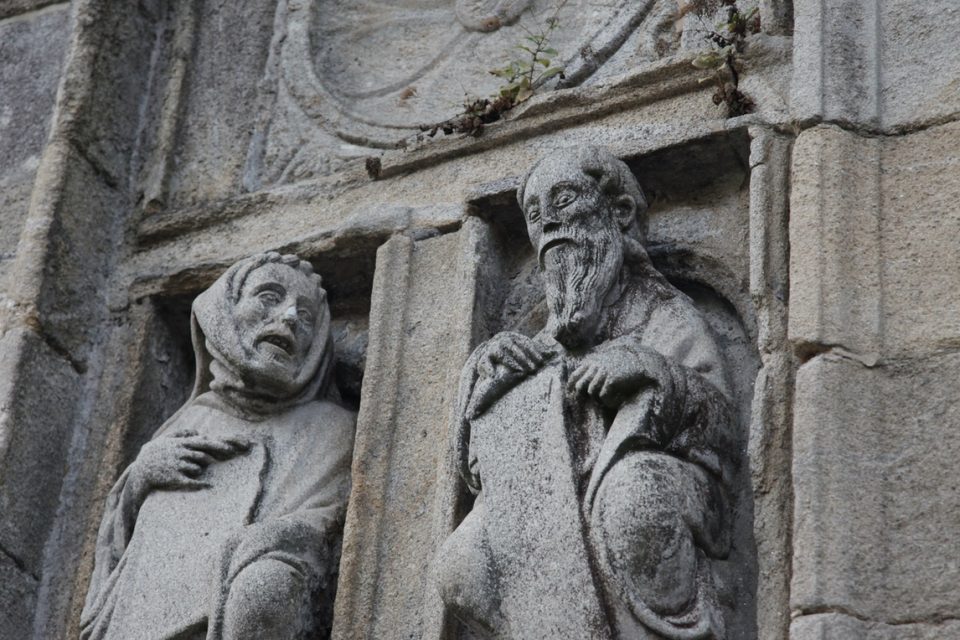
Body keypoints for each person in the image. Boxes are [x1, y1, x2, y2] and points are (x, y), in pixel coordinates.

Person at [437, 147, 738, 639]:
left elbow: (721, 423)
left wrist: (649, 369)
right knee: (462, 561)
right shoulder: (537, 345)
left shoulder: (664, 316)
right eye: (535, 214)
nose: (548, 222)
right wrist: (484, 381)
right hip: (549, 504)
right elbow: (472, 473)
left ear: (618, 213)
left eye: (565, 199)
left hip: (654, 486)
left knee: (632, 497)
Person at [81, 252, 355, 640]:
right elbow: (116, 551)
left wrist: (268, 546)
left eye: (307, 316)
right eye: (268, 297)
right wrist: (140, 477)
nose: (291, 317)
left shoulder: (331, 429)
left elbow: (329, 524)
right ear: (225, 310)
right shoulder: (189, 420)